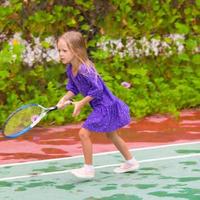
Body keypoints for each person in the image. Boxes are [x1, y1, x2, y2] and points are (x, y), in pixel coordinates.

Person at [56, 31, 139, 178]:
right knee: (112, 135)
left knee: (83, 133)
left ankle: (88, 169)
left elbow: (98, 89)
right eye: (59, 50)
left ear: (76, 51)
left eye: (64, 50)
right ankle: (131, 162)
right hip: (102, 105)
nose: (61, 54)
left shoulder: (84, 69)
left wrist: (81, 103)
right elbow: (73, 88)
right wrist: (63, 99)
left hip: (106, 106)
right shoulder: (71, 69)